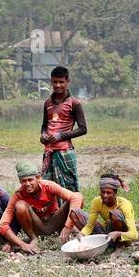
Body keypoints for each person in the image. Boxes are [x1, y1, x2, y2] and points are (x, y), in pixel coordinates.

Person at [0, 161, 86, 254]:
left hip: (55, 222)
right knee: (20, 206)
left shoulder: (49, 186)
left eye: (30, 180)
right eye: (23, 181)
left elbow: (77, 198)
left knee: (78, 196)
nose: (27, 184)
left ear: (38, 178)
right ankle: (33, 239)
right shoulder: (18, 195)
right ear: (20, 182)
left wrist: (68, 227)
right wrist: (22, 244)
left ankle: (73, 230)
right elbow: (2, 225)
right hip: (37, 228)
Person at [40, 66, 87, 194]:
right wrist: (43, 135)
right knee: (47, 188)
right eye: (55, 82)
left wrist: (60, 136)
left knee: (69, 189)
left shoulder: (74, 103)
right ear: (51, 82)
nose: (58, 85)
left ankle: (71, 214)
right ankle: (54, 214)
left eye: (61, 82)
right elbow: (44, 126)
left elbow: (83, 129)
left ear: (68, 81)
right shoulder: (47, 103)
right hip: (49, 152)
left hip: (65, 153)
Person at [81, 174, 138, 249]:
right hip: (107, 232)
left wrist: (118, 234)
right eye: (103, 192)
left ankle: (119, 246)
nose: (105, 195)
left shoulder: (124, 205)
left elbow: (134, 235)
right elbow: (89, 226)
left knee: (115, 213)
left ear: (115, 194)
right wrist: (82, 234)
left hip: (123, 235)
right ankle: (92, 244)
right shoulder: (97, 202)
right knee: (76, 213)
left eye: (108, 193)